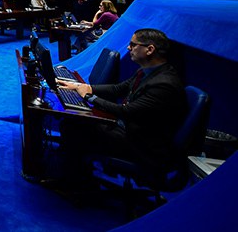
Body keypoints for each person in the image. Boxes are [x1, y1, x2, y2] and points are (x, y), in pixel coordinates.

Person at [57, 29, 186, 178]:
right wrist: (82, 87)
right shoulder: (148, 71)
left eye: (133, 44)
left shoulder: (164, 84)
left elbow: (126, 112)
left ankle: (74, 181)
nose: (128, 48)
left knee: (74, 126)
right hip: (130, 130)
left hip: (142, 145)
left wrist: (88, 96)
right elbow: (118, 89)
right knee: (77, 120)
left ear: (150, 49)